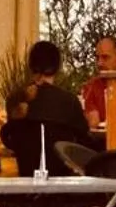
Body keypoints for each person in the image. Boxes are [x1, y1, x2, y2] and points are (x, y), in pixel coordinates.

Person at [19, 40, 96, 173]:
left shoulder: (16, 99)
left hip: (25, 173)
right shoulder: (68, 101)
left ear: (30, 65)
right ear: (57, 67)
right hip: (62, 175)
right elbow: (84, 139)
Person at [81, 35, 116, 130]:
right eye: (97, 58)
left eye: (105, 57)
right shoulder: (91, 86)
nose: (99, 63)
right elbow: (93, 122)